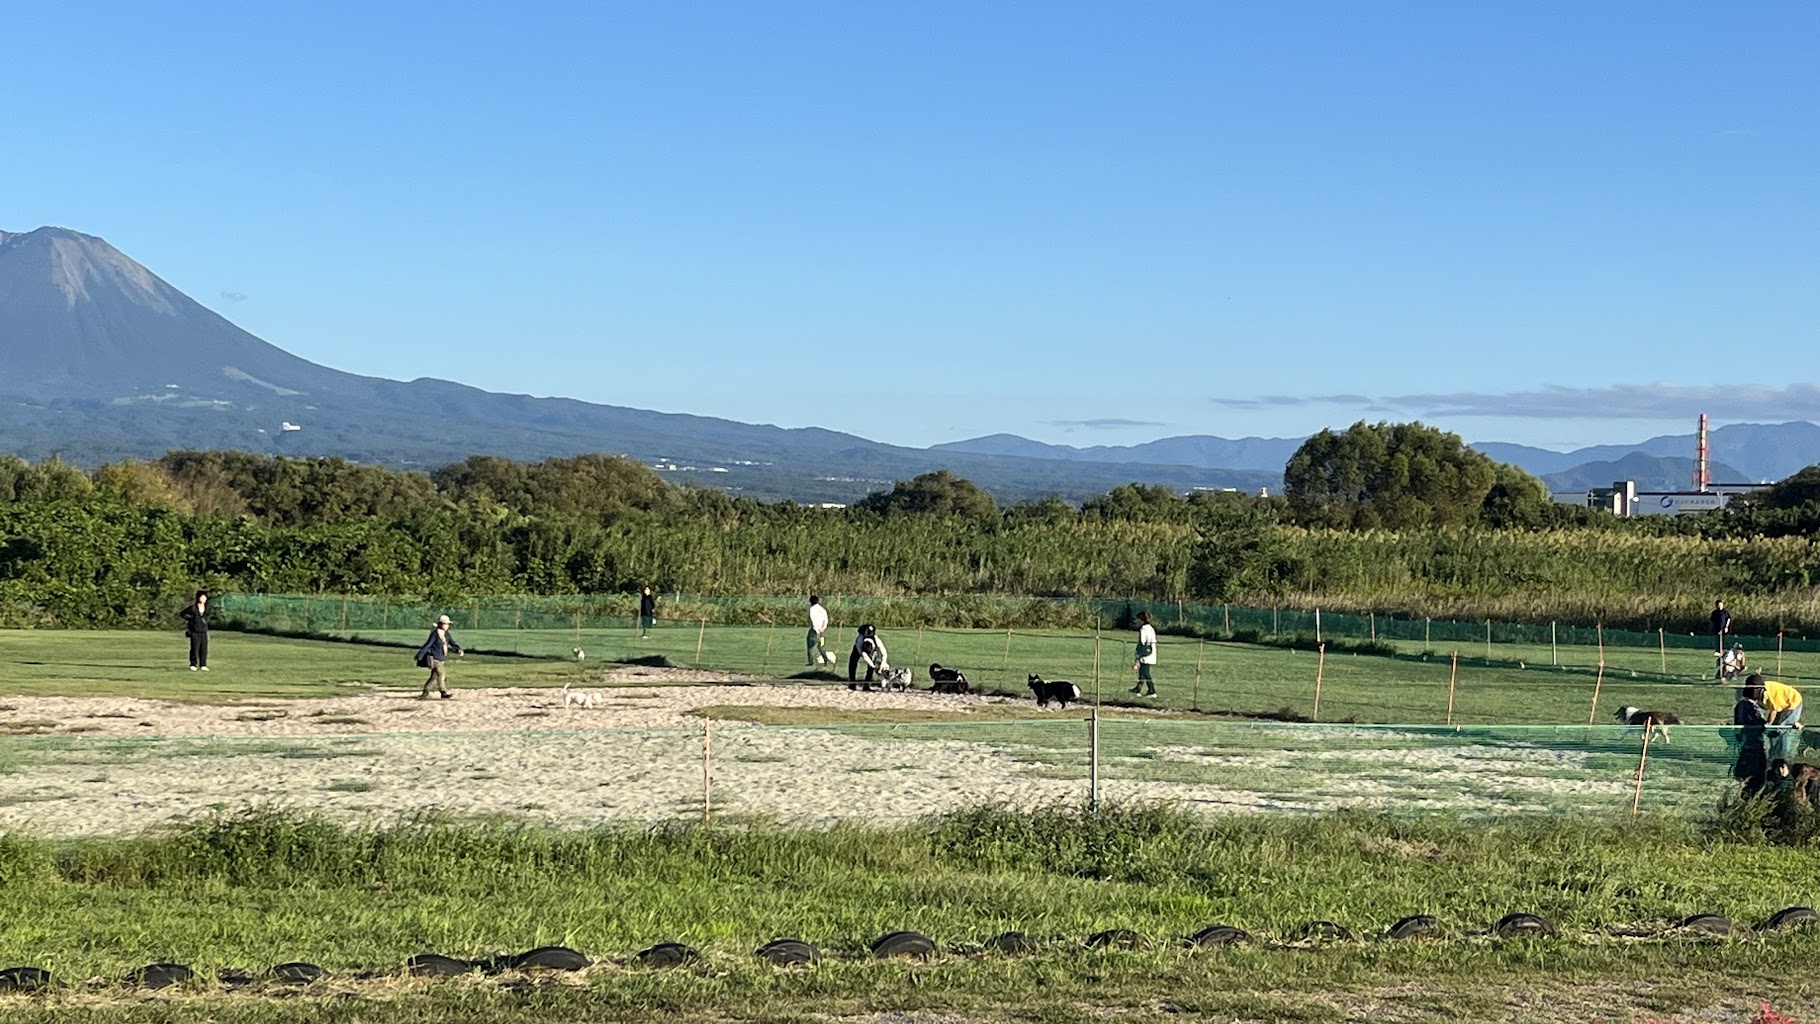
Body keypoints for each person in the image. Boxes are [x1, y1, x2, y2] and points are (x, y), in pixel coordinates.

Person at [1745, 673, 1802, 761]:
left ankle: (1782, 757)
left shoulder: (1769, 694)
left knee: (1782, 729)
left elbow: (1773, 712)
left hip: (1792, 704)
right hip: (1781, 706)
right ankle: (1773, 755)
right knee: (1772, 731)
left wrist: (1768, 724)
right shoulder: (1760, 691)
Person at [1731, 686, 1770, 798]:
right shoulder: (1751, 708)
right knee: (1757, 777)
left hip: (1745, 745)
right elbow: (1757, 724)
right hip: (1754, 746)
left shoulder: (1740, 706)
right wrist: (1766, 725)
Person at [416, 614, 464, 699]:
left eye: (448, 624)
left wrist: (458, 649)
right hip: (434, 658)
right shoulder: (435, 634)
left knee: (434, 677)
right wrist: (420, 655)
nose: (448, 626)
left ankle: (425, 692)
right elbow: (428, 644)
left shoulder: (446, 634)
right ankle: (443, 691)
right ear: (441, 624)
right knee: (441, 673)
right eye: (446, 624)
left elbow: (452, 643)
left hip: (441, 658)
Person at [848, 624, 888, 689]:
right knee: (852, 663)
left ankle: (867, 685)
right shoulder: (859, 643)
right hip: (858, 649)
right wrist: (874, 667)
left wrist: (882, 665)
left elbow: (884, 654)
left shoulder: (877, 641)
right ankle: (852, 683)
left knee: (871, 665)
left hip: (871, 649)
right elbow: (866, 658)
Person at [178, 590, 210, 671]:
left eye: (205, 597)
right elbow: (183, 614)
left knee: (204, 648)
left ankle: (203, 664)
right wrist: (191, 620)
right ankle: (193, 664)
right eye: (202, 597)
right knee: (195, 648)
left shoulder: (207, 608)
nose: (203, 599)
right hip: (195, 631)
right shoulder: (193, 608)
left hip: (203, 631)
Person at [1130, 611, 1158, 697]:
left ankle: (1152, 690)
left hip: (1145, 652)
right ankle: (1138, 688)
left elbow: (1142, 641)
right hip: (1151, 651)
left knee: (1146, 672)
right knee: (1142, 672)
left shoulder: (1143, 629)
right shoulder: (1151, 628)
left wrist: (1138, 654)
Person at [806, 595, 830, 667]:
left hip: (815, 630)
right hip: (822, 630)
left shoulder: (812, 609)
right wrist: (823, 628)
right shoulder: (822, 609)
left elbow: (813, 620)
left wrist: (816, 629)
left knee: (810, 646)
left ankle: (811, 661)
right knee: (820, 646)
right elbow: (826, 619)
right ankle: (825, 660)